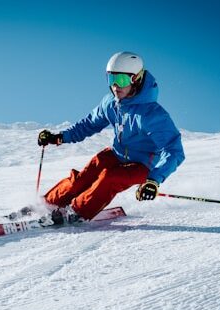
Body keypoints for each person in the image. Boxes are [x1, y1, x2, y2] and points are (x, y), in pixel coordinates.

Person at [37, 51, 185, 225]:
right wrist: (59, 137)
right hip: (117, 154)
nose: (115, 86)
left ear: (135, 79)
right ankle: (47, 204)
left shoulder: (152, 114)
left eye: (121, 80)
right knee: (84, 177)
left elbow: (173, 150)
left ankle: (76, 212)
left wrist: (154, 180)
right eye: (110, 79)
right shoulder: (110, 103)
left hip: (144, 164)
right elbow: (88, 124)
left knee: (110, 178)